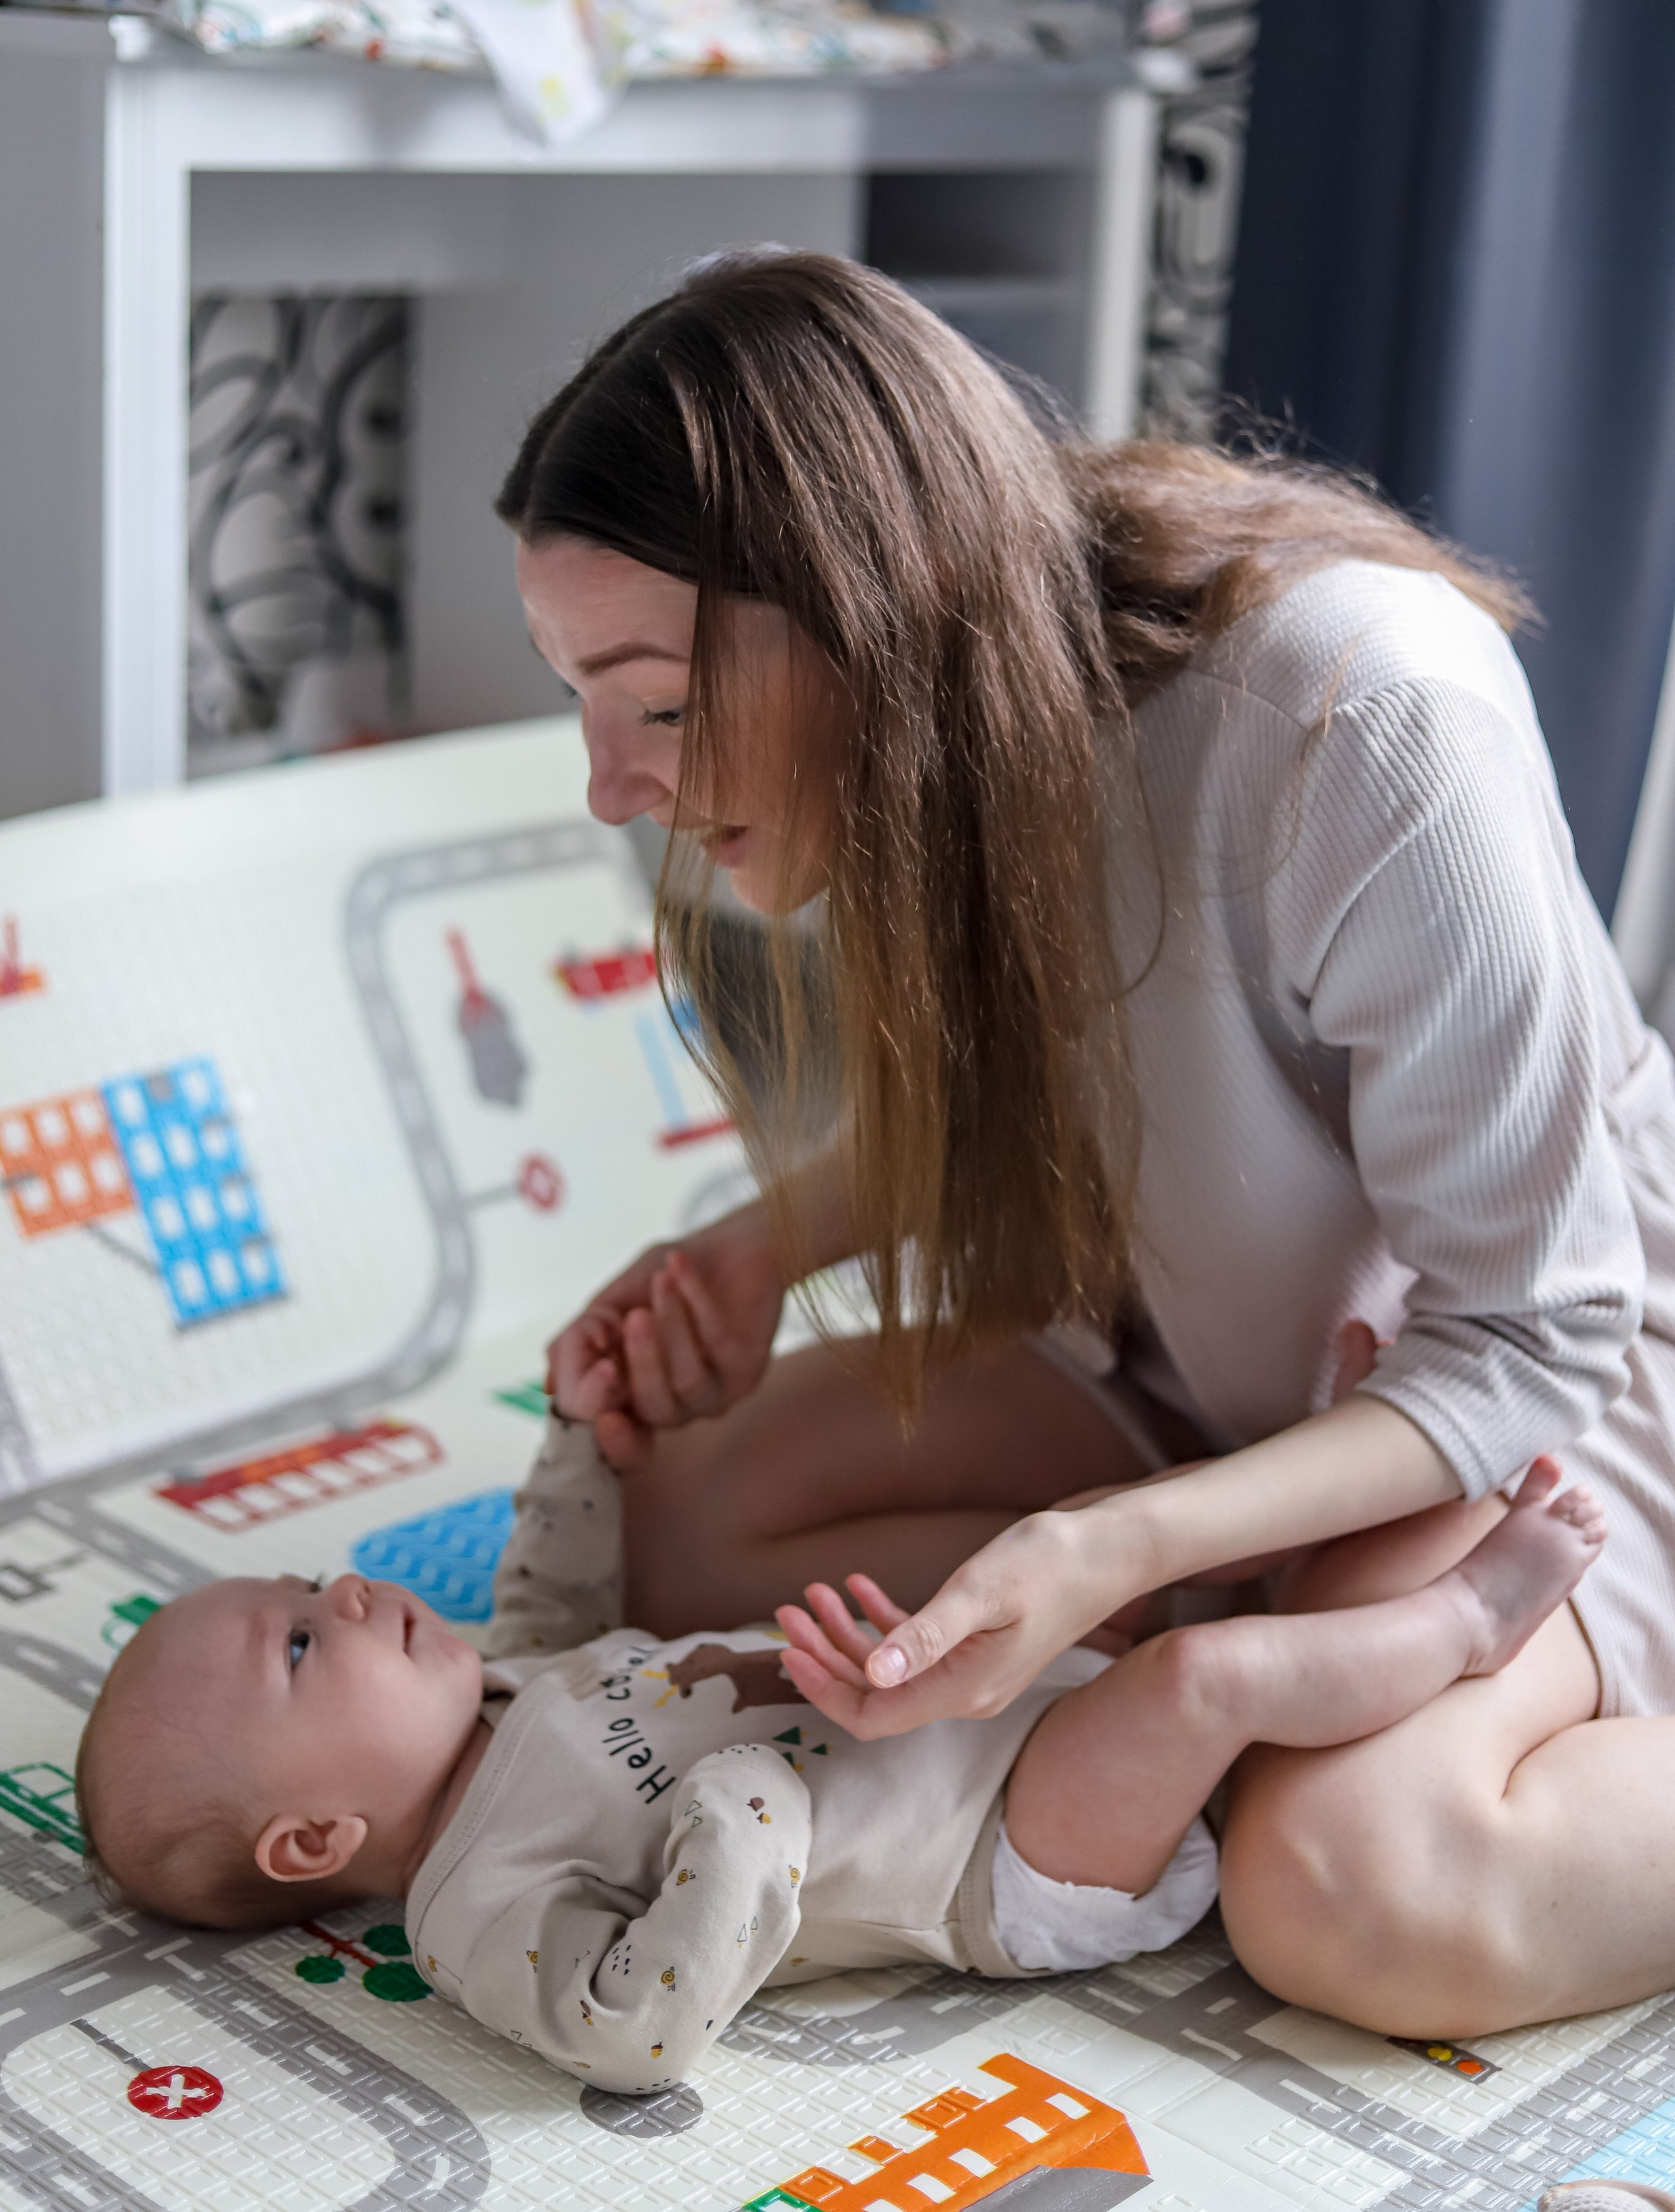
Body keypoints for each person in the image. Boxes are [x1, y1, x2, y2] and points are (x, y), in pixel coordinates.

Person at [500, 250, 1675, 2038]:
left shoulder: (1361, 716)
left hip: (1530, 1395)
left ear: (860, 598)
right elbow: (1075, 1092)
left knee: (1352, 1888)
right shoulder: (950, 727)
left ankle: (1314, 1641)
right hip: (1197, 1353)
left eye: (654, 703)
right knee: (679, 1513)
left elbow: (1526, 1333)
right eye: (584, 704)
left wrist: (1112, 1553)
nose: (612, 786)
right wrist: (757, 1252)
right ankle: (1277, 1615)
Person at [71, 1412, 1603, 2092]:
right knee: (1198, 1683)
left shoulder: (498, 1695)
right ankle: (1467, 1619)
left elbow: (551, 1596)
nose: (336, 1590)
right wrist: (740, 1827)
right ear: (313, 1844)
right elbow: (629, 2035)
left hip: (964, 1708)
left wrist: (579, 1449)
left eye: (299, 1587)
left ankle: (1356, 1468)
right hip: (998, 1854)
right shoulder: (472, 1909)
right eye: (295, 1644)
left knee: (1144, 1562)